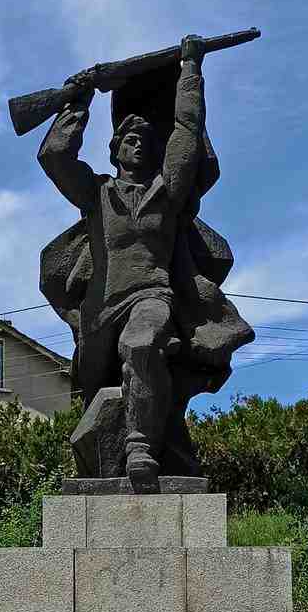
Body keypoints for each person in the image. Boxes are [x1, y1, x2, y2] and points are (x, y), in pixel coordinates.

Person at [37, 36, 253, 486]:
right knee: (96, 393)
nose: (139, 146)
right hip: (99, 310)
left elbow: (186, 131)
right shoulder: (96, 194)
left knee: (142, 344)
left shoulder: (167, 194)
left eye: (146, 142)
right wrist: (78, 100)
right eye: (130, 140)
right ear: (115, 149)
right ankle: (119, 450)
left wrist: (191, 69)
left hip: (153, 296)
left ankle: (140, 450)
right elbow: (54, 155)